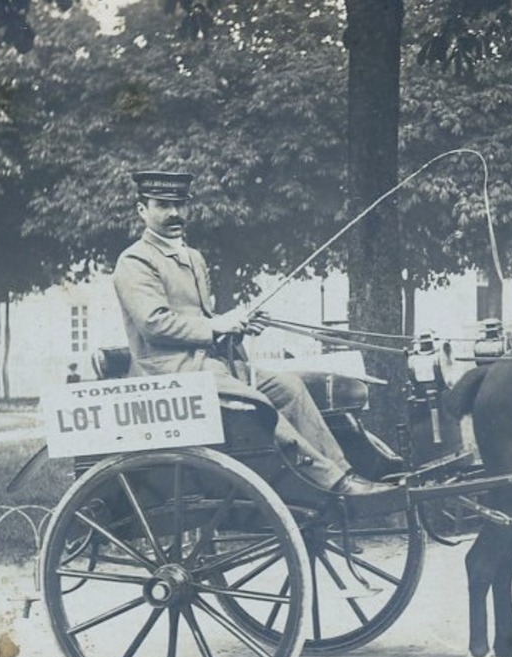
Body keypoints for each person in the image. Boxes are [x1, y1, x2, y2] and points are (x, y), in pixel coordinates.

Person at [112, 170, 393, 497]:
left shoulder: (192, 257)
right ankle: (327, 481)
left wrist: (238, 325)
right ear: (141, 210)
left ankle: (343, 473)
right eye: (162, 205)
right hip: (170, 374)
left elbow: (199, 320)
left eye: (180, 205)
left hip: (211, 367)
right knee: (258, 404)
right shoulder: (135, 261)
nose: (174, 213)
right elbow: (155, 323)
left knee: (290, 387)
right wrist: (216, 325)